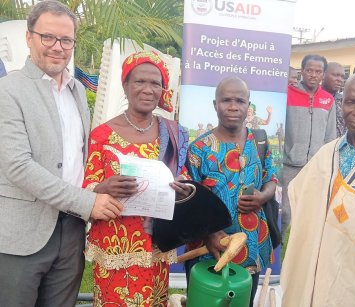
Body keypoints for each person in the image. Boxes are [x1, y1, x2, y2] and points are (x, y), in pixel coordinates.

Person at [0, 1, 123, 306]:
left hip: (71, 231)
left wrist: (96, 189)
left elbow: (77, 158)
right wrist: (88, 201)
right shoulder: (7, 91)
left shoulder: (78, 91)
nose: (57, 47)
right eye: (48, 37)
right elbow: (18, 165)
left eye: (66, 40)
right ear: (29, 38)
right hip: (21, 234)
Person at [281, 71, 355, 307]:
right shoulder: (327, 153)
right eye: (350, 102)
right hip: (314, 272)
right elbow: (303, 205)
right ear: (341, 103)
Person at [82, 50, 191, 307]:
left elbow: (181, 174)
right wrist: (103, 187)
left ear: (163, 90)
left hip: (156, 242)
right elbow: (85, 187)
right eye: (140, 81)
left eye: (155, 83)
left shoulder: (172, 133)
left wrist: (183, 188)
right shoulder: (102, 135)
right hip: (115, 245)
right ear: (126, 85)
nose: (147, 89)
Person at [185, 77, 278, 307]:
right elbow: (187, 201)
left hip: (251, 247)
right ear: (215, 104)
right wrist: (209, 234)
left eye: (240, 100)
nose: (233, 106)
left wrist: (263, 196)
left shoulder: (260, 142)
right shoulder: (199, 149)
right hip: (208, 251)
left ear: (249, 105)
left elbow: (272, 178)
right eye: (226, 100)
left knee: (242, 302)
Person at [281, 54, 336, 239]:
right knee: (286, 213)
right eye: (309, 70)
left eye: (318, 71)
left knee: (311, 213)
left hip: (316, 167)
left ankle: (302, 248)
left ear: (323, 74)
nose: (313, 75)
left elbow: (330, 136)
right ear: (302, 71)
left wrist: (327, 164)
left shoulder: (328, 100)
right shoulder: (288, 94)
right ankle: (278, 252)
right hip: (289, 166)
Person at [322, 62, 346, 136]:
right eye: (335, 75)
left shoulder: (344, 101)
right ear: (323, 75)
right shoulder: (313, 98)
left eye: (342, 77)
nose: (340, 79)